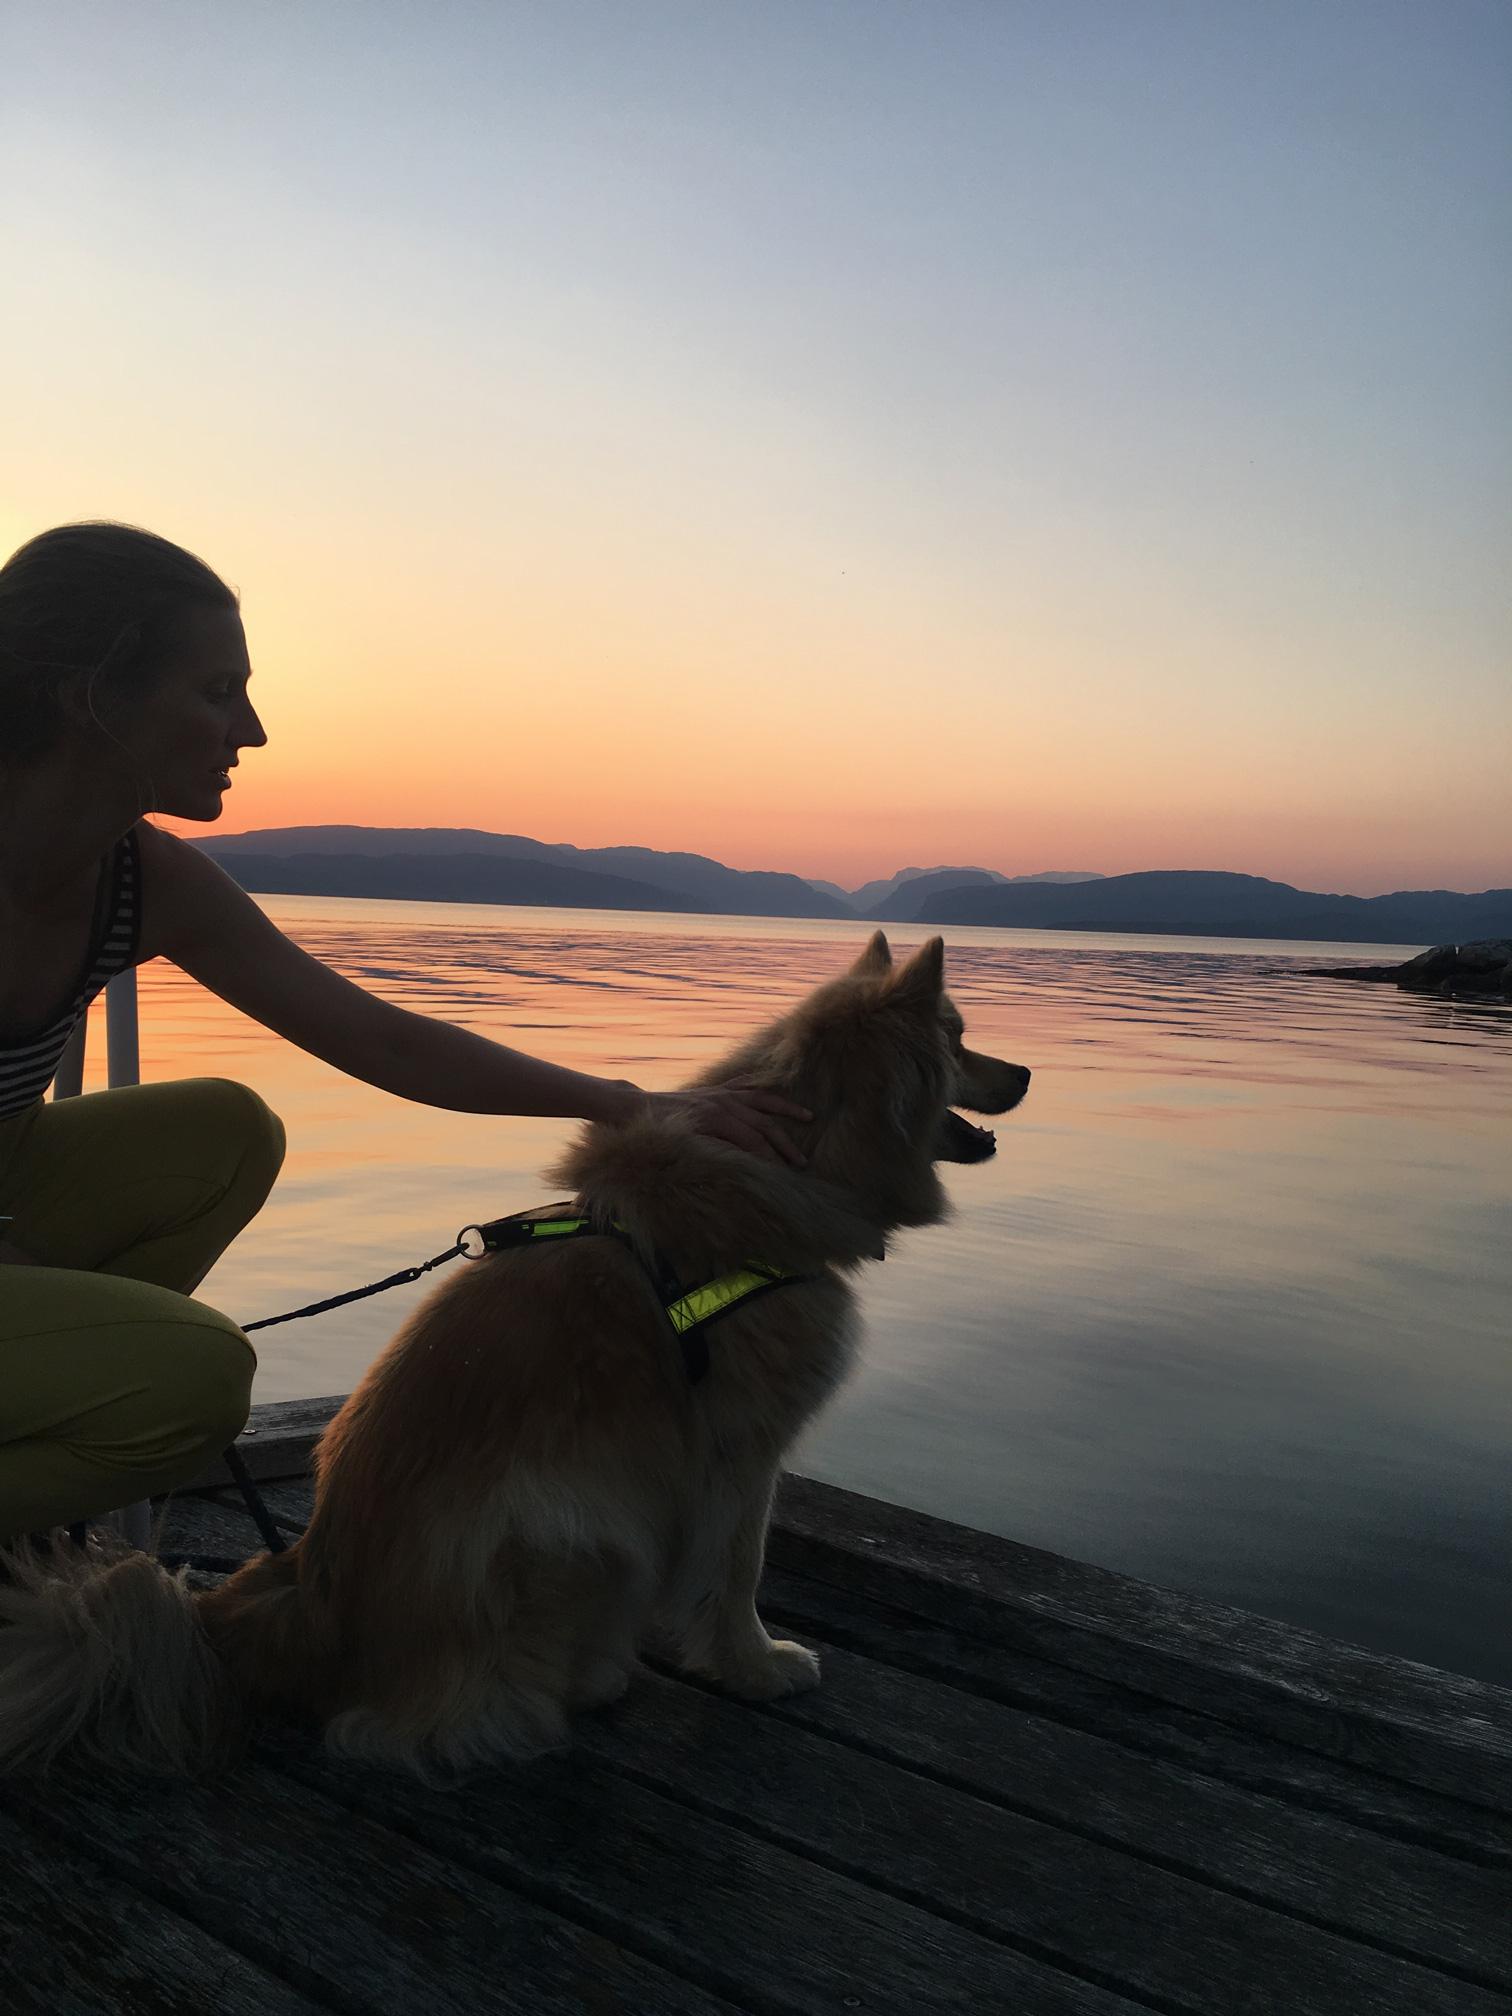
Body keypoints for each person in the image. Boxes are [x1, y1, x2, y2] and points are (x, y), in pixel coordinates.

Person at [0, 522, 807, 1541]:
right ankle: (89, 1399)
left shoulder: (143, 881)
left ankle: (49, 1408)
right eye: (216, 692)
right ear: (90, 698)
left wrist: (633, 1104)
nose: (252, 731)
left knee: (227, 1134)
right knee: (193, 1378)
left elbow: (384, 1041)